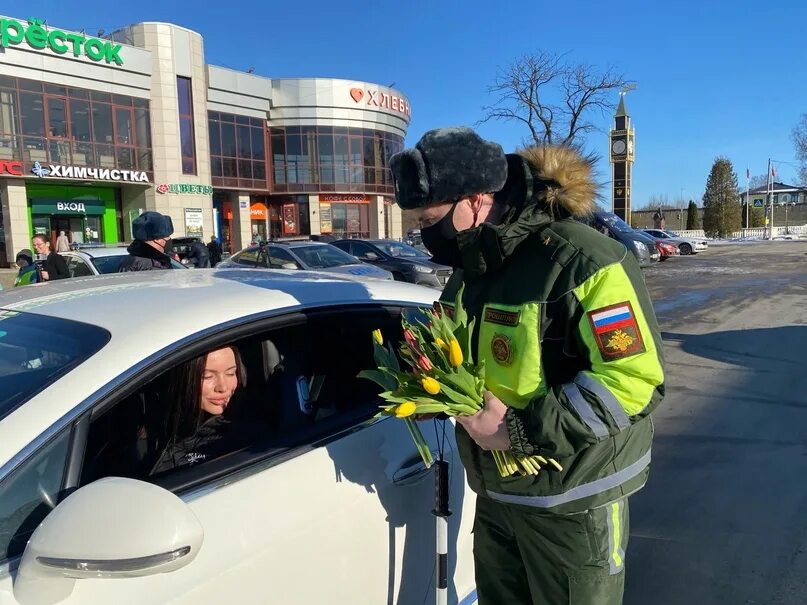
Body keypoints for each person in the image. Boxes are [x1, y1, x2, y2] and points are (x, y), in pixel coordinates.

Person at [390, 128, 665, 605]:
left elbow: (633, 381)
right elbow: (466, 361)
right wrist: (434, 391)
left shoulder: (583, 259)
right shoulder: (471, 271)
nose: (425, 233)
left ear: (476, 200)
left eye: (432, 218)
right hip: (500, 494)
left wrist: (520, 433)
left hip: (573, 501)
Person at [150, 345, 248, 474]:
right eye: (207, 376)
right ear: (184, 378)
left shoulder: (245, 433)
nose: (222, 387)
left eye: (230, 373)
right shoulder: (156, 426)